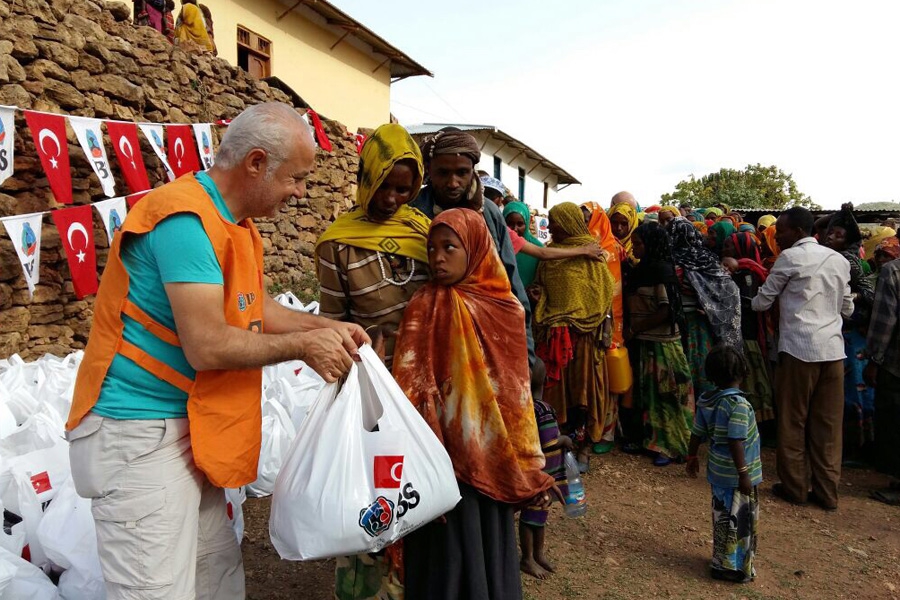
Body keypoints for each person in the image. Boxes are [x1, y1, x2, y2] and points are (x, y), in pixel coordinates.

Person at [65, 103, 369, 599]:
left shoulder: (232, 224)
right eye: (295, 179)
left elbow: (253, 307)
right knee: (156, 589)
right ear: (255, 163)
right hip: (141, 435)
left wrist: (330, 327)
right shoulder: (184, 220)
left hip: (194, 427)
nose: (300, 193)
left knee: (214, 578)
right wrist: (303, 346)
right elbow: (206, 344)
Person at [394, 209, 556, 600]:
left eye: (450, 247)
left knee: (485, 531)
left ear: (478, 249)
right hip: (438, 450)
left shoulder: (505, 309)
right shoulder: (423, 305)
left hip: (492, 447)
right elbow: (409, 379)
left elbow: (515, 392)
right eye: (431, 248)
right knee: (443, 544)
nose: (438, 257)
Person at [315, 123, 430, 600]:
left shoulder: (426, 234)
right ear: (366, 176)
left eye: (404, 188)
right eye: (385, 184)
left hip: (427, 381)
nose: (392, 197)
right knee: (374, 487)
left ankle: (417, 582)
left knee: (423, 485)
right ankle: (366, 588)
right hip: (370, 386)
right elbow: (332, 322)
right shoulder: (336, 243)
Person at [752, 207, 853, 510]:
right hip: (833, 352)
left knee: (793, 420)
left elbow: (761, 302)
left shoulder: (790, 258)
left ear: (797, 231)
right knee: (828, 425)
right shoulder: (839, 260)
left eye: (780, 230)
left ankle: (795, 487)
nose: (776, 236)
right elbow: (847, 308)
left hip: (798, 350)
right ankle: (827, 492)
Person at [411, 128, 535, 363]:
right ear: (429, 171)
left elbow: (511, 284)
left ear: (473, 171)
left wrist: (525, 354)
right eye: (443, 173)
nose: (452, 182)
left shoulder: (488, 213)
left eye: (462, 173)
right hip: (430, 340)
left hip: (488, 339)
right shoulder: (414, 213)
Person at [533, 203, 615, 472]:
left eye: (557, 221)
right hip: (555, 335)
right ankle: (556, 447)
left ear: (568, 222)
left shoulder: (593, 254)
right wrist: (539, 295)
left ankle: (584, 448)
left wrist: (605, 332)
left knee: (584, 393)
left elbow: (605, 297)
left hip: (585, 337)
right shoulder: (550, 252)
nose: (552, 226)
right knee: (556, 395)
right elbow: (542, 285)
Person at [686, 345, 762, 583]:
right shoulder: (738, 405)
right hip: (737, 477)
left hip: (718, 473)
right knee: (739, 523)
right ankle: (733, 567)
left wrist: (692, 458)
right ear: (742, 371)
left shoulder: (707, 400)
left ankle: (721, 562)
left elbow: (696, 433)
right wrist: (744, 474)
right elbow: (736, 440)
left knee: (722, 518)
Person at [626, 222, 695, 466]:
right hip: (647, 342)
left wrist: (635, 329)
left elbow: (666, 311)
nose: (634, 248)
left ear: (652, 245)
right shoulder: (642, 269)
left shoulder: (661, 272)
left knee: (667, 393)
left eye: (638, 244)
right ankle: (652, 440)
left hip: (662, 343)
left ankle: (672, 445)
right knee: (650, 394)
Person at [823, 204, 877, 464]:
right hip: (840, 333)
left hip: (852, 335)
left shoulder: (850, 261)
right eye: (830, 233)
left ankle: (859, 448)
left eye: (838, 234)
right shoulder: (832, 257)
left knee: (855, 391)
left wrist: (846, 297)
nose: (831, 237)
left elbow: (869, 294)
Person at [668, 218, 742, 394]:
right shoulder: (708, 259)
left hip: (679, 325)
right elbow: (729, 290)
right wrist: (714, 310)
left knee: (685, 368)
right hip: (703, 324)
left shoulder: (670, 261)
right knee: (703, 367)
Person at [519, 358, 572, 580]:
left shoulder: (524, 406)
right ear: (548, 380)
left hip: (532, 470)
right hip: (543, 473)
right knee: (532, 514)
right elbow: (549, 443)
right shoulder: (544, 409)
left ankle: (537, 554)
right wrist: (565, 439)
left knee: (539, 513)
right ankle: (528, 558)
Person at [582, 201, 626, 453]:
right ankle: (590, 430)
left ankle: (606, 433)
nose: (585, 223)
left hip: (610, 319)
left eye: (588, 219)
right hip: (589, 318)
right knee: (593, 377)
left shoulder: (609, 248)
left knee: (609, 375)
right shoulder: (582, 247)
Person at [721, 232, 775, 423]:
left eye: (728, 245)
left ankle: (757, 418)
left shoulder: (746, 272)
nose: (724, 248)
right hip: (744, 330)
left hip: (747, 332)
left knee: (752, 375)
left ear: (740, 248)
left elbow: (747, 302)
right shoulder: (741, 269)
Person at [865, 231, 900, 505]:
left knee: (893, 421)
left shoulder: (892, 271)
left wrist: (874, 360)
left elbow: (884, 321)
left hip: (896, 364)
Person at [608, 201, 639, 266]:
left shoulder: (639, 248)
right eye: (614, 223)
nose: (619, 228)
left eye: (624, 223)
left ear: (632, 224)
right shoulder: (602, 246)